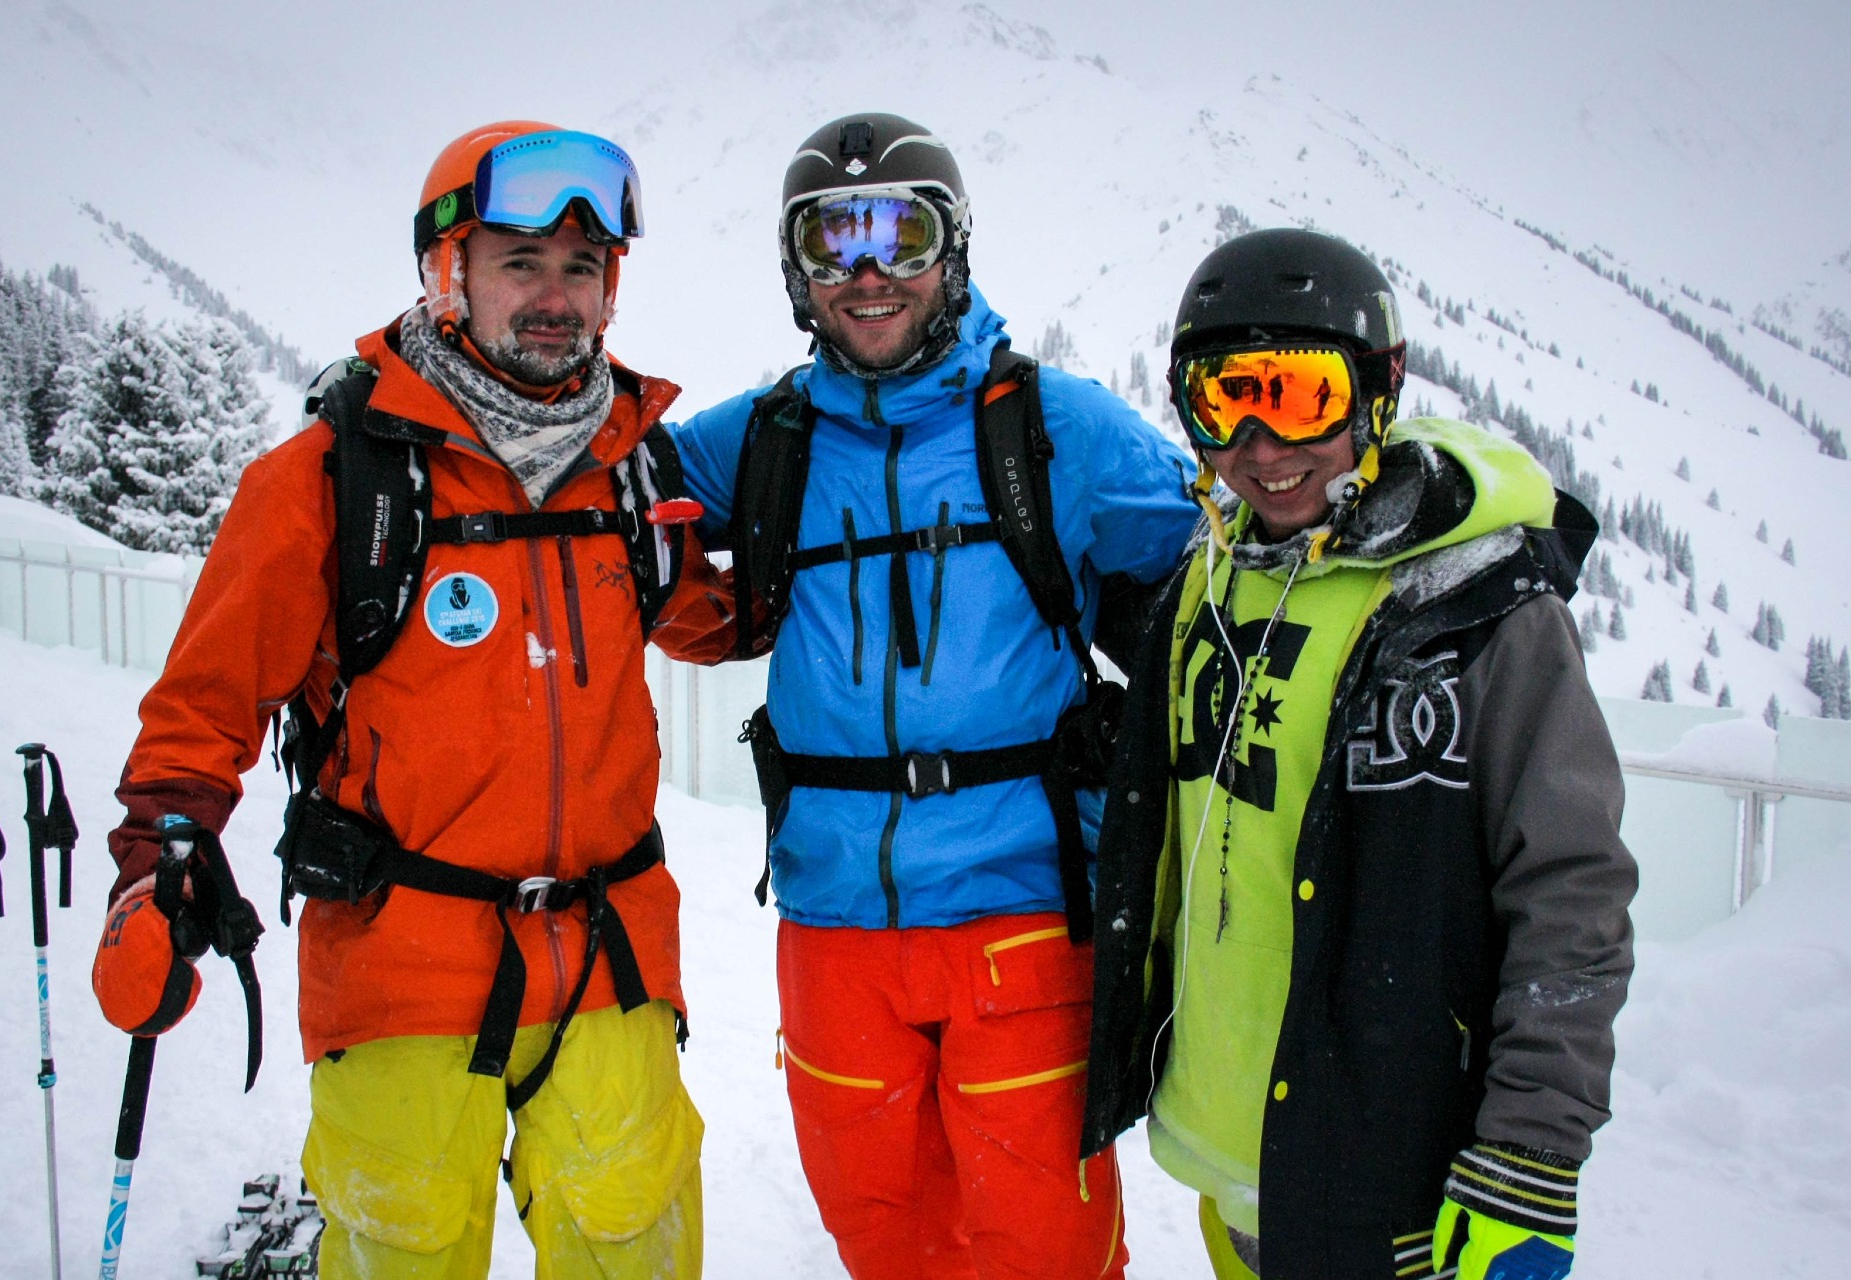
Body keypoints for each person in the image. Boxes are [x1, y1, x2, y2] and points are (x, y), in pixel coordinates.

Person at [90, 121, 738, 1279]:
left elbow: (719, 620)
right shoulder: (331, 479)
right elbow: (206, 698)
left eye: (581, 269)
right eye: (520, 263)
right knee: (404, 1254)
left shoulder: (634, 472)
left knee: (633, 1248)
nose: (555, 297)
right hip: (401, 962)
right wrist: (160, 858)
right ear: (448, 275)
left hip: (610, 958)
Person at [673, 112, 1202, 1279]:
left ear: (952, 252)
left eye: (898, 236)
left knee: (1044, 1246)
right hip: (832, 930)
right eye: (831, 243)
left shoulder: (1055, 430)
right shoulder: (765, 439)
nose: (867, 275)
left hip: (1019, 910)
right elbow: (603, 487)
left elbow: (1233, 567)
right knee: (885, 1235)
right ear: (796, 271)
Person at [1080, 227, 1638, 1280]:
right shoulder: (1209, 579)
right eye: (1221, 399)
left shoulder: (1475, 606)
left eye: (1298, 396)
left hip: (1400, 1181)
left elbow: (1572, 890)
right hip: (1232, 1159)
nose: (1258, 442)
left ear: (1376, 392)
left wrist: (1530, 1152)